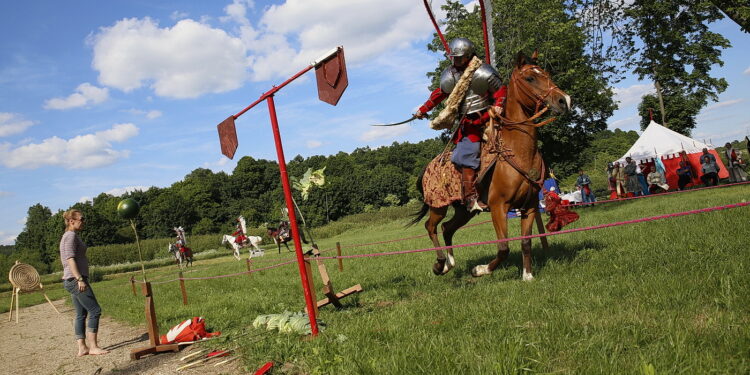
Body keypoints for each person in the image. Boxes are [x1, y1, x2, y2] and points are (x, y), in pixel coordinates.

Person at [414, 37, 506, 213]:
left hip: (491, 117)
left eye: (458, 57)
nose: (455, 60)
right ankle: (471, 198)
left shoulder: (484, 71)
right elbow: (439, 94)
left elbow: (501, 89)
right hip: (469, 124)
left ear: (468, 56)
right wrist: (423, 109)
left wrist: (499, 105)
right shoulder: (450, 75)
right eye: (453, 57)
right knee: (467, 154)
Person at [60, 209, 109, 357]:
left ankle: (82, 348)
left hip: (72, 279)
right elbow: (70, 259)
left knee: (81, 313)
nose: (83, 221)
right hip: (76, 280)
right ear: (71, 221)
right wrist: (79, 279)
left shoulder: (71, 236)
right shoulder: (70, 236)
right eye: (81, 219)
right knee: (95, 310)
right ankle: (93, 347)